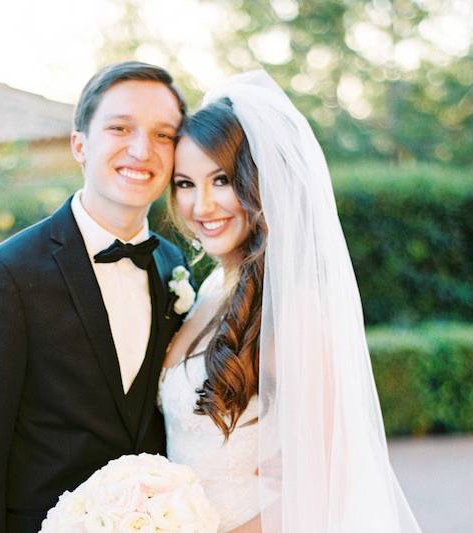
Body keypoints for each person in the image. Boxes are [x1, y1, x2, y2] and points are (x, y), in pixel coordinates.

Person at [159, 71, 422, 532]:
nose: (201, 206)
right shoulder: (212, 290)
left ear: (258, 182)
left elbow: (328, 485)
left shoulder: (294, 311)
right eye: (185, 184)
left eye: (220, 180)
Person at [0, 61, 189, 533]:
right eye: (120, 128)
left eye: (164, 135)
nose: (142, 150)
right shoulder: (3, 277)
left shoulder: (170, 265)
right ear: (80, 144)